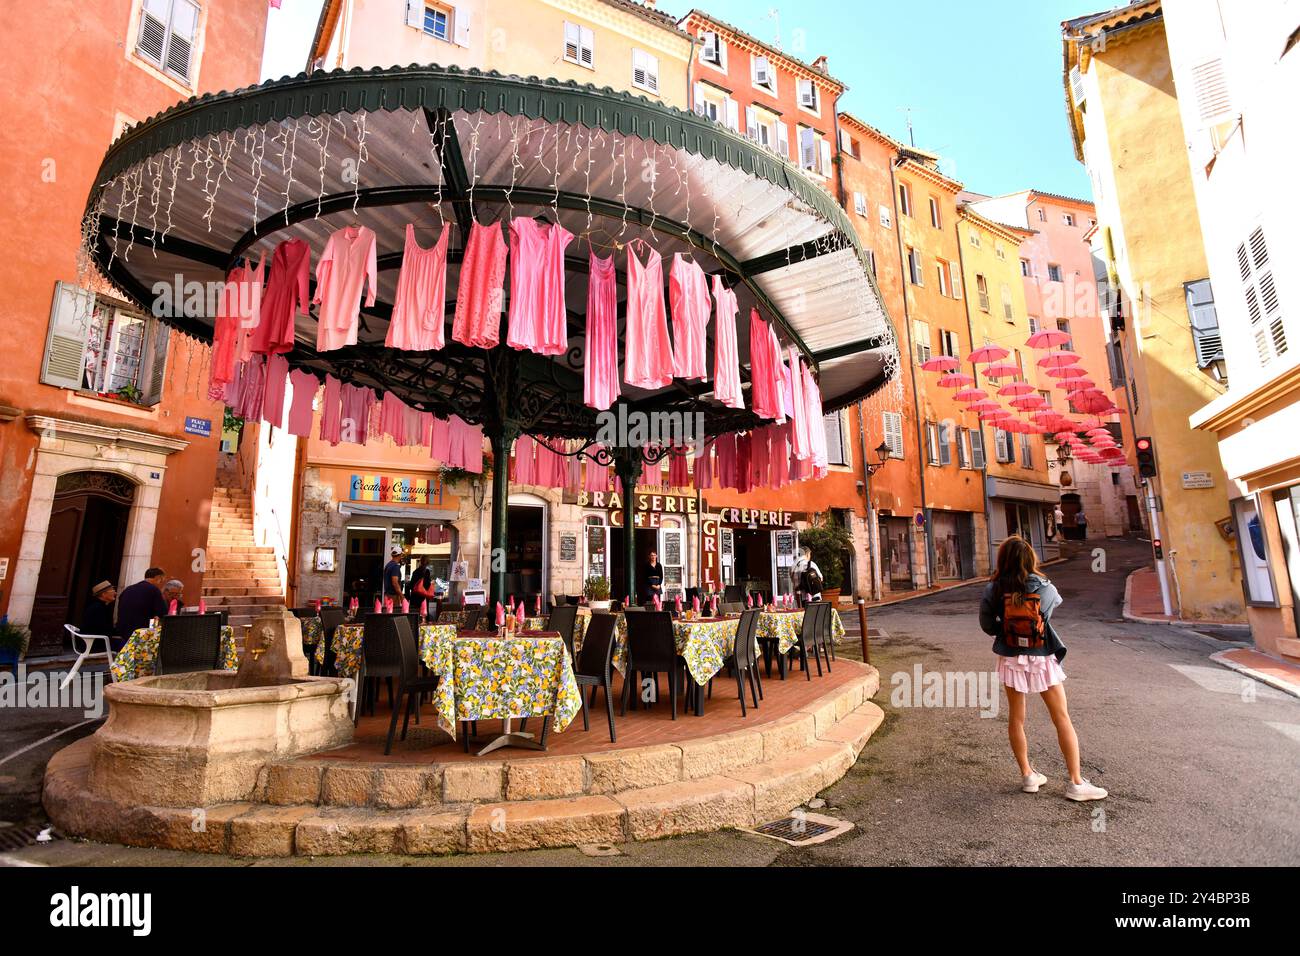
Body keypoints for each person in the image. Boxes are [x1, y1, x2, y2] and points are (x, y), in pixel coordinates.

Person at [979, 536, 1107, 802]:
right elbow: (1046, 615)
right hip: (1041, 657)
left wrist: (1007, 630)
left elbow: (987, 625)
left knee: (1016, 717)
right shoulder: (1044, 586)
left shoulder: (993, 588)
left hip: (1010, 657)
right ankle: (1075, 782)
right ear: (1030, 559)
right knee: (1061, 717)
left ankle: (1028, 775)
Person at [116, 567, 169, 645]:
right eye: (161, 580)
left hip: (123, 632)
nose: (161, 584)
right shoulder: (154, 590)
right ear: (158, 578)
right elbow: (161, 613)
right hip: (142, 632)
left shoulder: (128, 589)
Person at [81, 580, 119, 644]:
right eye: (113, 590)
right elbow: (103, 630)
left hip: (97, 640)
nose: (115, 593)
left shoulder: (101, 606)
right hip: (95, 643)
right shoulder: (98, 608)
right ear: (104, 594)